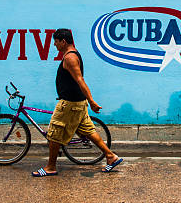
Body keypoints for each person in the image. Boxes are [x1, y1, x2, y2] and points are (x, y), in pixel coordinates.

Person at [32, 29, 123, 176]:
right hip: (77, 104)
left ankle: (50, 167)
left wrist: (92, 101)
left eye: (56, 41)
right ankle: (111, 156)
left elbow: (80, 80)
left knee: (54, 135)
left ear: (63, 41)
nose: (54, 45)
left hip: (70, 105)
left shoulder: (70, 58)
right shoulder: (71, 55)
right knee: (88, 131)